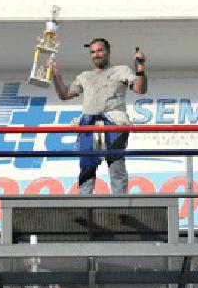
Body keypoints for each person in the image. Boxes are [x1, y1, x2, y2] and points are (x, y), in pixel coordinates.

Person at [46, 38, 148, 194]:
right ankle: (83, 208)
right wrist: (55, 75)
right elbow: (65, 94)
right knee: (87, 166)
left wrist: (140, 66)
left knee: (116, 166)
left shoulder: (121, 70)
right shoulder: (85, 76)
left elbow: (140, 89)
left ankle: (120, 208)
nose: (96, 55)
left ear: (108, 51)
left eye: (100, 50)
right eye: (93, 52)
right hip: (88, 124)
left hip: (114, 123)